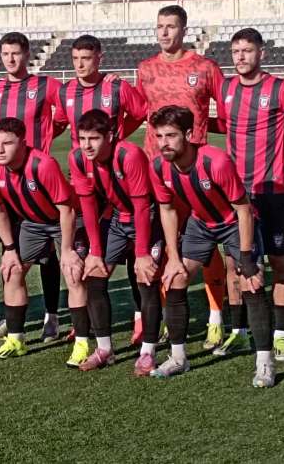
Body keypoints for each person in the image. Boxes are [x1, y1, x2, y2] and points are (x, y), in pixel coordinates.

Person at [149, 106, 275, 387]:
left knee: (252, 283)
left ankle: (265, 363)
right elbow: (167, 210)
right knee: (175, 278)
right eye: (159, 136)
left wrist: (246, 258)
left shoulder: (215, 162)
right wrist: (173, 257)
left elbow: (243, 209)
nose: (163, 143)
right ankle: (178, 359)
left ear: (189, 135)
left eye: (170, 135)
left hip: (234, 223)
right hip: (201, 224)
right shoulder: (158, 166)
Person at [136, 4, 230, 351]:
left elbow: (229, 112)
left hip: (196, 172)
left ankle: (215, 318)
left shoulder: (205, 68)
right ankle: (163, 315)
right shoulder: (145, 69)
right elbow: (137, 111)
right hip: (157, 170)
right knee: (163, 245)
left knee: (206, 243)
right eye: (160, 26)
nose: (164, 32)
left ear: (184, 30)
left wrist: (205, 125)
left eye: (171, 26)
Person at [215, 28, 284, 362]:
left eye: (247, 50)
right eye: (236, 51)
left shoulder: (281, 88)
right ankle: (238, 331)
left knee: (278, 262)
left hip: (271, 191)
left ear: (261, 53)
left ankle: (281, 335)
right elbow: (226, 125)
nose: (241, 57)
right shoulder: (226, 88)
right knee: (234, 264)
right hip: (235, 193)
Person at [54, 34, 149, 342]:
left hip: (115, 177)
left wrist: (116, 137)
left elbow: (141, 112)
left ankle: (141, 317)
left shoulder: (116, 87)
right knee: (83, 249)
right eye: (76, 59)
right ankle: (82, 317)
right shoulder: (66, 91)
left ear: (99, 58)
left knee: (133, 252)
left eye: (86, 58)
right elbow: (58, 122)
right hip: (83, 179)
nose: (80, 64)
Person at [0, 118, 87, 363]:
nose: (0, 150)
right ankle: (16, 340)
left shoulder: (43, 164)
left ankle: (82, 343)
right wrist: (9, 249)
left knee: (73, 273)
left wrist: (67, 250)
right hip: (33, 223)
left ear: (23, 143)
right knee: (12, 271)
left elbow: (67, 210)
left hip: (66, 219)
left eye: (7, 143)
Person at [69, 109, 164, 375]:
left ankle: (148, 352)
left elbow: (142, 205)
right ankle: (104, 349)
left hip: (148, 216)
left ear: (109, 136)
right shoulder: (78, 158)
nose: (87, 145)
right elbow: (88, 205)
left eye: (94, 139)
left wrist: (142, 253)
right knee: (94, 277)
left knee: (146, 279)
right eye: (82, 138)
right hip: (117, 219)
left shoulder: (129, 155)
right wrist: (95, 252)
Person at [0, 31, 67, 342]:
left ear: (27, 54)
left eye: (16, 53)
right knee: (10, 251)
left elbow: (65, 112)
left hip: (38, 178)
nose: (11, 59)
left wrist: (46, 136)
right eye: (5, 53)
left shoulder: (46, 85)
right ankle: (12, 316)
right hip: (8, 181)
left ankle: (52, 315)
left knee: (48, 254)